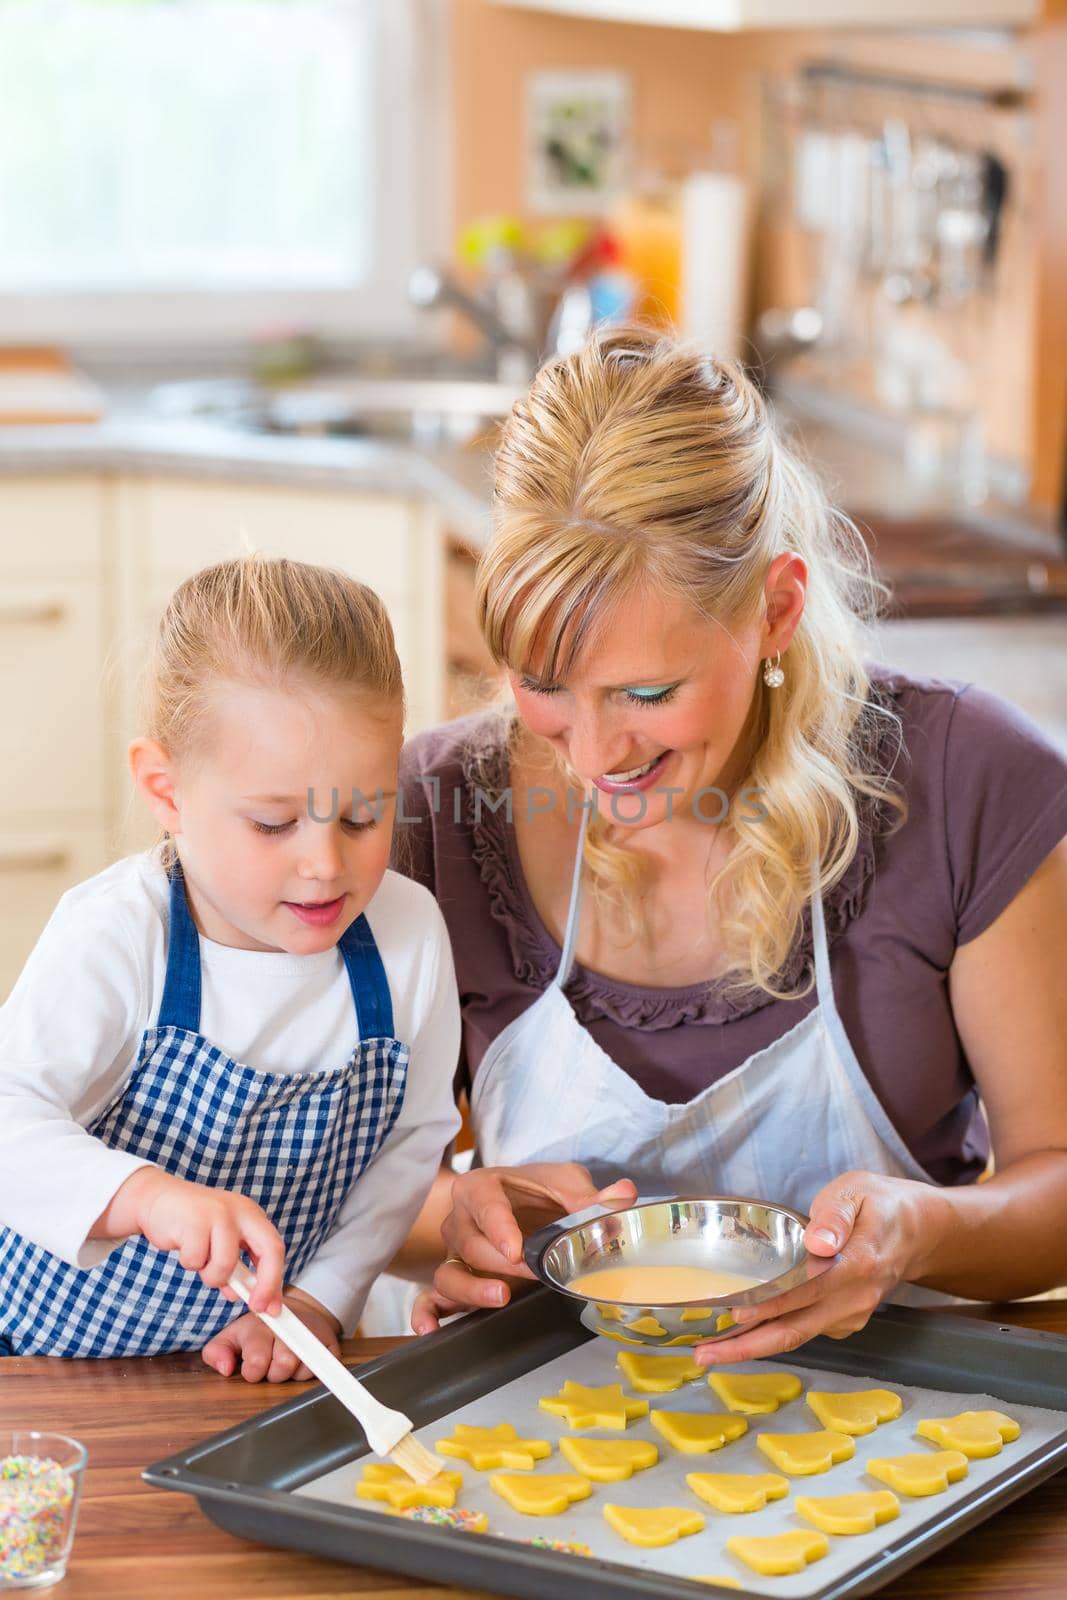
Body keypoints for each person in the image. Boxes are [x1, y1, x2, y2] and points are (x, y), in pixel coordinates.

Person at [391, 327, 1067, 1362]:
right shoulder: (427, 814)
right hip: (550, 1436)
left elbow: (1053, 1178)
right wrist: (453, 1217)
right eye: (543, 686)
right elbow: (320, 1189)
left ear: (774, 608)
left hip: (891, 1437)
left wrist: (919, 1230)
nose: (595, 753)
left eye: (646, 693)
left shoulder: (967, 782)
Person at [0, 556, 460, 1378]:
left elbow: (409, 1148)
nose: (325, 864)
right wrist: (144, 1196)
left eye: (363, 814)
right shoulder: (118, 934)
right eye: (274, 823)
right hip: (42, 1369)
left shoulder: (407, 935)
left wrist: (323, 1299)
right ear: (166, 790)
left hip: (249, 1373)